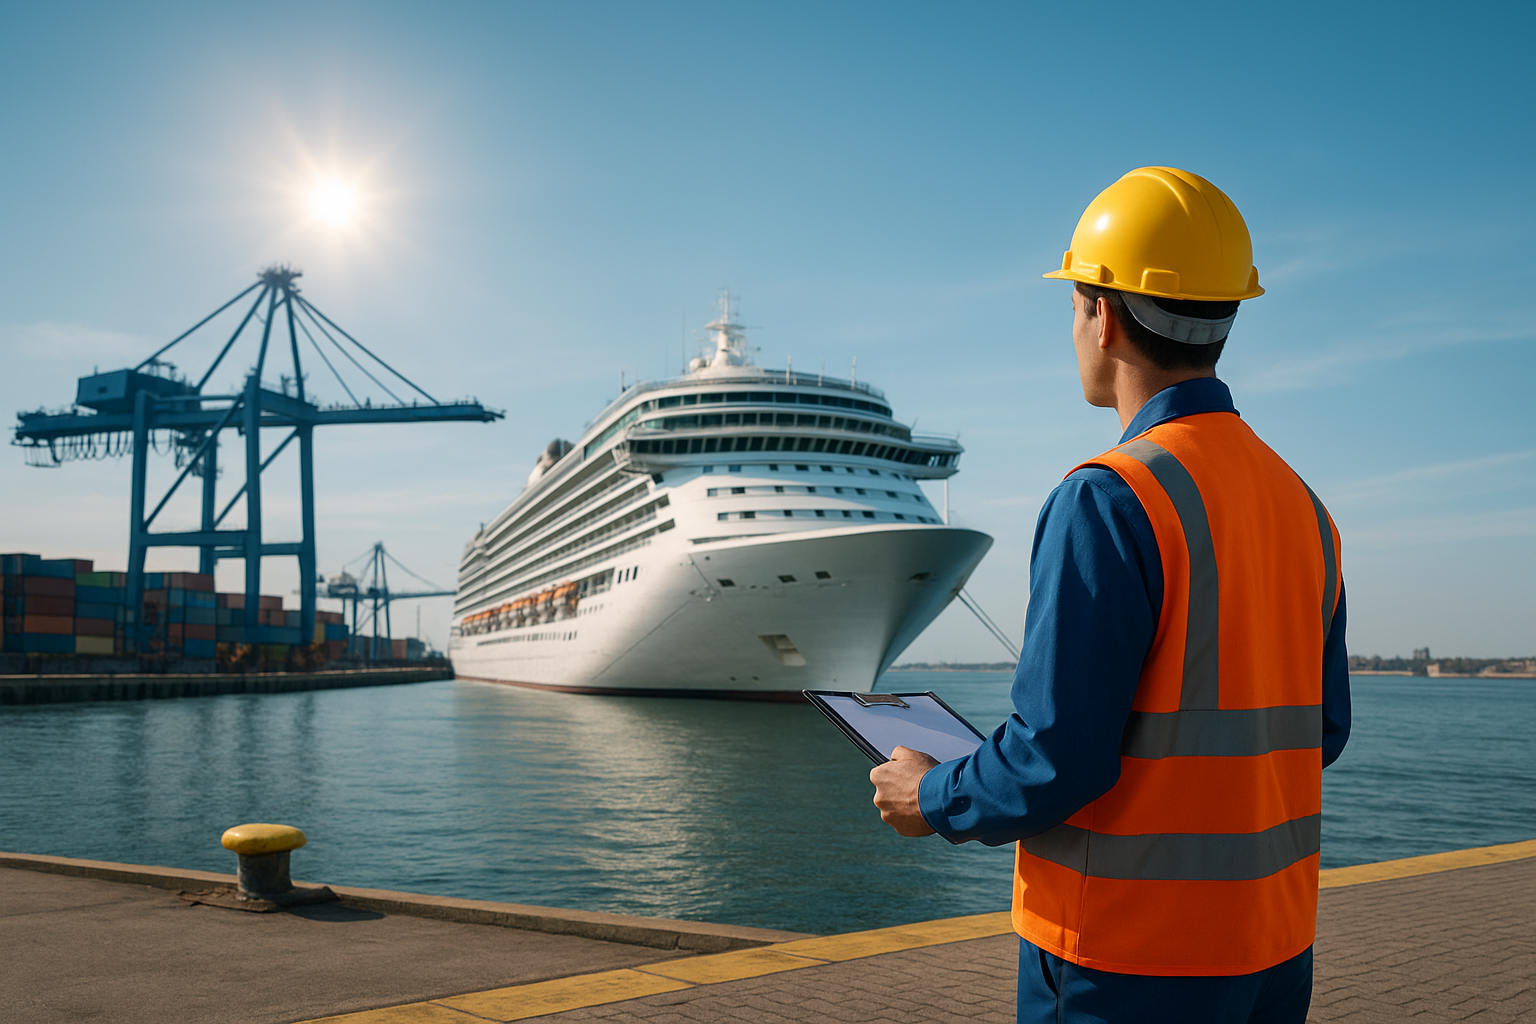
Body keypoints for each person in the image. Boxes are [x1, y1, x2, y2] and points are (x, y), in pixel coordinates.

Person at [870, 166, 1351, 1024]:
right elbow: (1322, 731)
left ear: (1107, 314)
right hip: (1273, 951)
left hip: (1125, 960)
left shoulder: (1110, 496)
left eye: (1074, 305)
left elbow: (1059, 757)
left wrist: (930, 794)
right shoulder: (1304, 507)